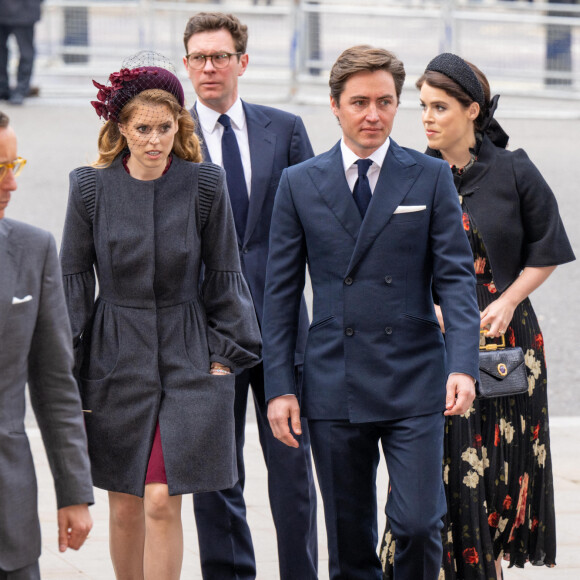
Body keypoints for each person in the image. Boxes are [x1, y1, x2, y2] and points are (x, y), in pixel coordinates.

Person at [263, 45, 481, 580]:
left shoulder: (428, 176)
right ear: (334, 105)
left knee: (417, 524)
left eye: (385, 102)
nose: (373, 115)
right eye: (359, 102)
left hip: (415, 376)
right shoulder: (299, 182)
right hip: (334, 379)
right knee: (349, 540)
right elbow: (281, 294)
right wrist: (280, 386)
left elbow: (455, 278)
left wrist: (462, 366)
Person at [59, 51, 262, 580]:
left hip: (188, 357)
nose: (154, 139)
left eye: (165, 127)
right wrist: (68, 370)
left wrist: (224, 359)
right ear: (121, 128)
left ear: (179, 126)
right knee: (124, 503)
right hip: (113, 357)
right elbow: (74, 284)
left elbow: (225, 276)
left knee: (158, 497)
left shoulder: (204, 185)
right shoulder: (88, 188)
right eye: (143, 128)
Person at [380, 53, 575, 580]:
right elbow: (393, 261)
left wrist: (509, 299)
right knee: (438, 460)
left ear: (472, 110)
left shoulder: (515, 169)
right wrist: (434, 306)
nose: (426, 118)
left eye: (439, 107)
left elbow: (549, 248)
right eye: (421, 107)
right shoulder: (410, 175)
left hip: (508, 341)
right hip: (434, 339)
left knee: (498, 467)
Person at [182, 12, 318, 580]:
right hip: (203, 334)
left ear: (242, 61)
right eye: (197, 58)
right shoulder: (169, 136)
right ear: (186, 64)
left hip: (282, 327)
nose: (208, 67)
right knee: (216, 476)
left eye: (219, 56)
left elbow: (320, 226)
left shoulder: (283, 129)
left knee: (292, 471)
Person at [0, 110, 93, 580]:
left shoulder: (34, 250)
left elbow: (56, 383)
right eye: (0, 170)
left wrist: (73, 490)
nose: (11, 186)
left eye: (14, 167)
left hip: (8, 519)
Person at [0, 0, 43, 104]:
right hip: (4, 12)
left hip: (25, 12)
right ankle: (3, 88)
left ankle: (21, 89)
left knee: (25, 52)